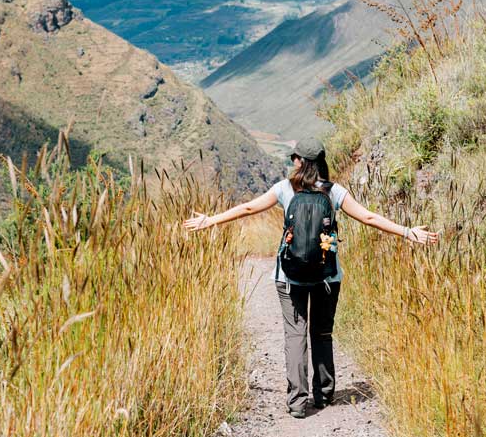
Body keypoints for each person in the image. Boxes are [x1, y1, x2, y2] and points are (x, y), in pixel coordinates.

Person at [183, 137, 439, 418]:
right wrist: (407, 232)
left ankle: (297, 402)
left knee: (295, 336)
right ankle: (324, 394)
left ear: (299, 161)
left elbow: (247, 209)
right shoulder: (334, 192)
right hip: (327, 277)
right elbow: (368, 218)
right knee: (321, 333)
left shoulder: (284, 189)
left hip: (289, 277)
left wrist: (210, 220)